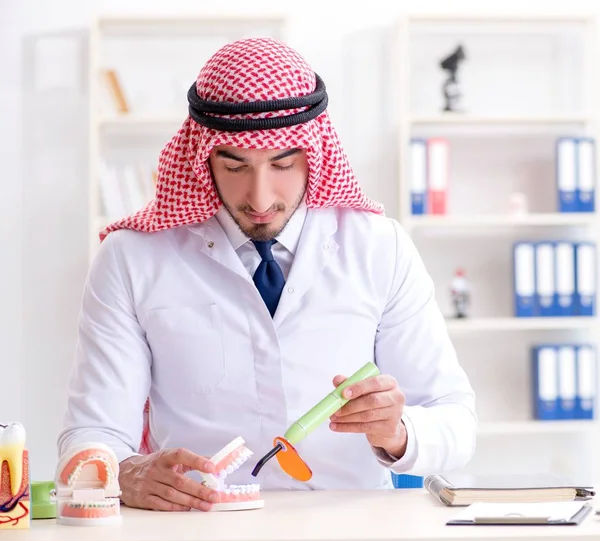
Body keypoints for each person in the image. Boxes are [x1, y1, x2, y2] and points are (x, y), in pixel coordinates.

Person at [57, 37, 477, 512]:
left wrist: (398, 432)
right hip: (196, 531)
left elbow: (457, 424)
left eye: (282, 163)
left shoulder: (381, 247)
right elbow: (90, 434)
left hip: (352, 530)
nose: (259, 198)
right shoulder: (131, 259)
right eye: (234, 165)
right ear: (203, 157)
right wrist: (123, 472)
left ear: (314, 154)